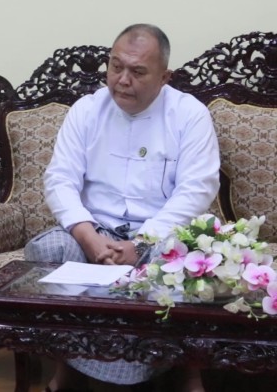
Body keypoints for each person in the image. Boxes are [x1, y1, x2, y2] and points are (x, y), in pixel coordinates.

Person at [24, 24, 220, 391]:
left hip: (159, 236)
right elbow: (60, 179)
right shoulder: (87, 110)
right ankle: (66, 369)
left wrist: (142, 242)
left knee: (188, 265)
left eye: (137, 71)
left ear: (164, 77)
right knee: (47, 250)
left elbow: (197, 190)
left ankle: (183, 371)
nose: (122, 80)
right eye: (116, 67)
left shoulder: (189, 115)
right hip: (94, 232)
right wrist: (88, 237)